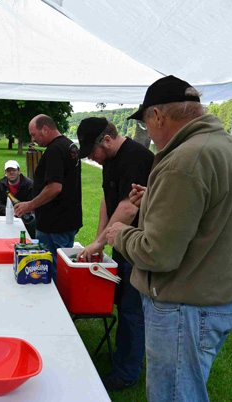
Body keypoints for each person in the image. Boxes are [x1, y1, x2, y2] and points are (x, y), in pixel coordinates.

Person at [105, 76, 232, 401]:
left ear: (158, 115)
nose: (149, 133)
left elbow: (158, 254)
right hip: (216, 300)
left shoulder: (185, 161)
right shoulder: (229, 146)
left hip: (183, 307)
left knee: (173, 396)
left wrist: (119, 234)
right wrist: (159, 196)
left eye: (146, 123)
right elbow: (212, 210)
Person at [76, 117, 154, 392]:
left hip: (140, 248)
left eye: (92, 152)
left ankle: (128, 372)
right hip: (122, 245)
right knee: (122, 305)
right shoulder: (109, 161)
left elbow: (128, 207)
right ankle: (124, 357)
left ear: (106, 140)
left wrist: (99, 245)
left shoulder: (135, 158)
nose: (93, 159)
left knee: (133, 311)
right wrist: (99, 241)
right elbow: (106, 202)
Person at [14, 114, 82, 282]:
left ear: (45, 129)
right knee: (61, 266)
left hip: (55, 225)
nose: (33, 139)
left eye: (34, 134)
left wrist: (30, 205)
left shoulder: (54, 150)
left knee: (51, 270)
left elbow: (54, 187)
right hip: (68, 219)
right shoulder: (70, 145)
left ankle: (56, 305)